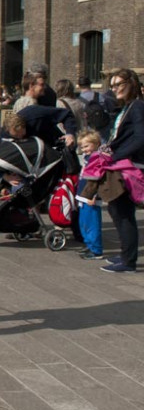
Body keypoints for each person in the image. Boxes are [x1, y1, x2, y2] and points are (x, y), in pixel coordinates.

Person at [98, 69, 144, 273]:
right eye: (112, 85)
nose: (114, 88)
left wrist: (116, 156)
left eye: (118, 84)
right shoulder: (127, 108)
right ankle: (126, 254)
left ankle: (128, 262)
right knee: (116, 210)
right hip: (121, 164)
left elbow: (140, 138)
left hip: (129, 167)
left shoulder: (137, 107)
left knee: (123, 212)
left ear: (131, 83)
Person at [75, 130, 105, 261]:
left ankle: (96, 250)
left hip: (90, 196)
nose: (84, 149)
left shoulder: (98, 159)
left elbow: (99, 179)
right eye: (82, 147)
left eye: (86, 146)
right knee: (84, 223)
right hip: (83, 195)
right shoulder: (89, 158)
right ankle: (89, 245)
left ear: (96, 144)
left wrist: (95, 196)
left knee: (92, 224)